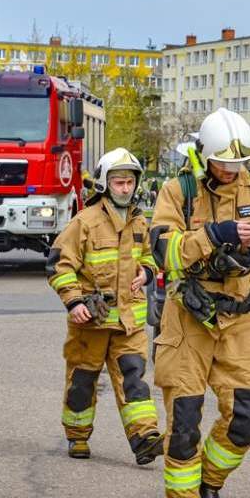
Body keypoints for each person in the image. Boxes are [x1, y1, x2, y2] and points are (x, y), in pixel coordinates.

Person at [149, 108, 250, 498]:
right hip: (189, 316)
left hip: (236, 316)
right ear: (204, 156)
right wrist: (214, 236)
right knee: (185, 418)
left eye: (238, 163)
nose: (231, 171)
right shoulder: (179, 191)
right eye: (223, 163)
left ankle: (209, 483)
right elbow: (164, 252)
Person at [46, 147, 164, 464]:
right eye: (118, 182)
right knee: (82, 383)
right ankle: (77, 436)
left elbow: (151, 257)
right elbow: (59, 266)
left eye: (129, 182)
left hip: (128, 321)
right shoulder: (84, 222)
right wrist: (73, 302)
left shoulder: (140, 223)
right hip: (91, 322)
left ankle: (144, 439)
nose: (125, 188)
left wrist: (148, 271)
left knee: (135, 380)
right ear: (104, 184)